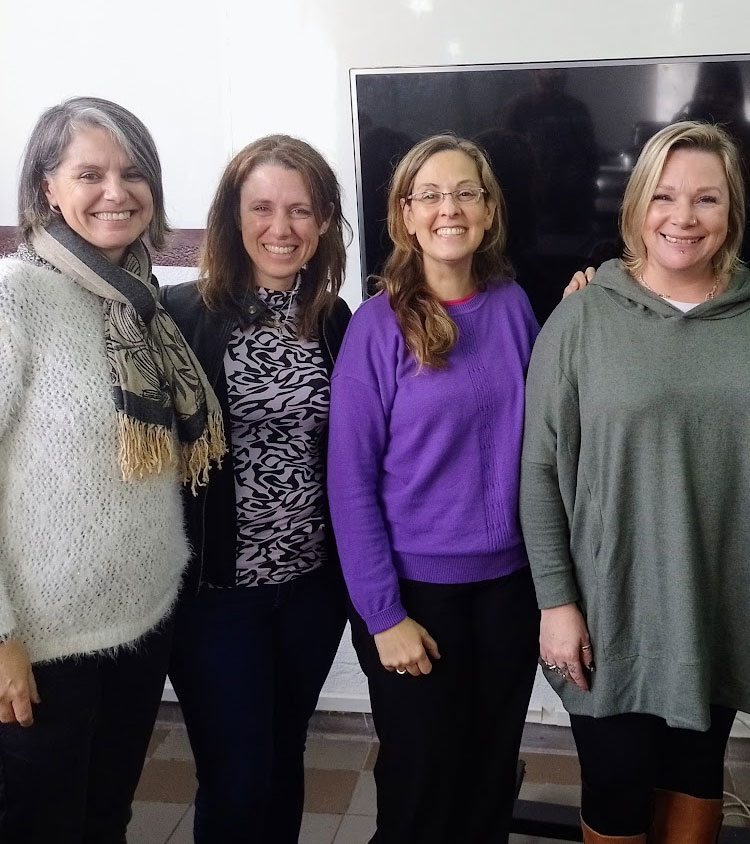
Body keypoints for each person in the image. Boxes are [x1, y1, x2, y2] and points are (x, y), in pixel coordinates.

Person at [0, 96, 225, 843]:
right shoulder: (3, 297)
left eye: (134, 173)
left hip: (141, 625)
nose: (117, 191)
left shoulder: (141, 303)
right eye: (90, 174)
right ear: (47, 187)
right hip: (39, 646)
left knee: (105, 820)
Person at [521, 121, 750, 844]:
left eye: (706, 198)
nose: (684, 217)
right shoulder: (582, 316)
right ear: (637, 207)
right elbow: (540, 468)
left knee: (697, 775)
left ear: (732, 211)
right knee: (616, 788)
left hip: (722, 602)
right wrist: (556, 601)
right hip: (609, 607)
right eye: (664, 196)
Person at [327, 134, 540, 844]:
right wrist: (383, 615)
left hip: (508, 590)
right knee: (421, 789)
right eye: (431, 196)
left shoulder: (513, 306)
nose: (450, 209)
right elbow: (349, 483)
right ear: (406, 216)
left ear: (489, 210)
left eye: (466, 193)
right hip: (417, 598)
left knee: (489, 778)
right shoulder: (375, 327)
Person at [159, 135, 352, 844]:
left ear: (323, 221)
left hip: (311, 590)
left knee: (283, 756)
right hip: (217, 596)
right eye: (262, 208)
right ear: (232, 219)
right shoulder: (180, 317)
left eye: (300, 210)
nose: (281, 227)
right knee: (236, 777)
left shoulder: (334, 320)